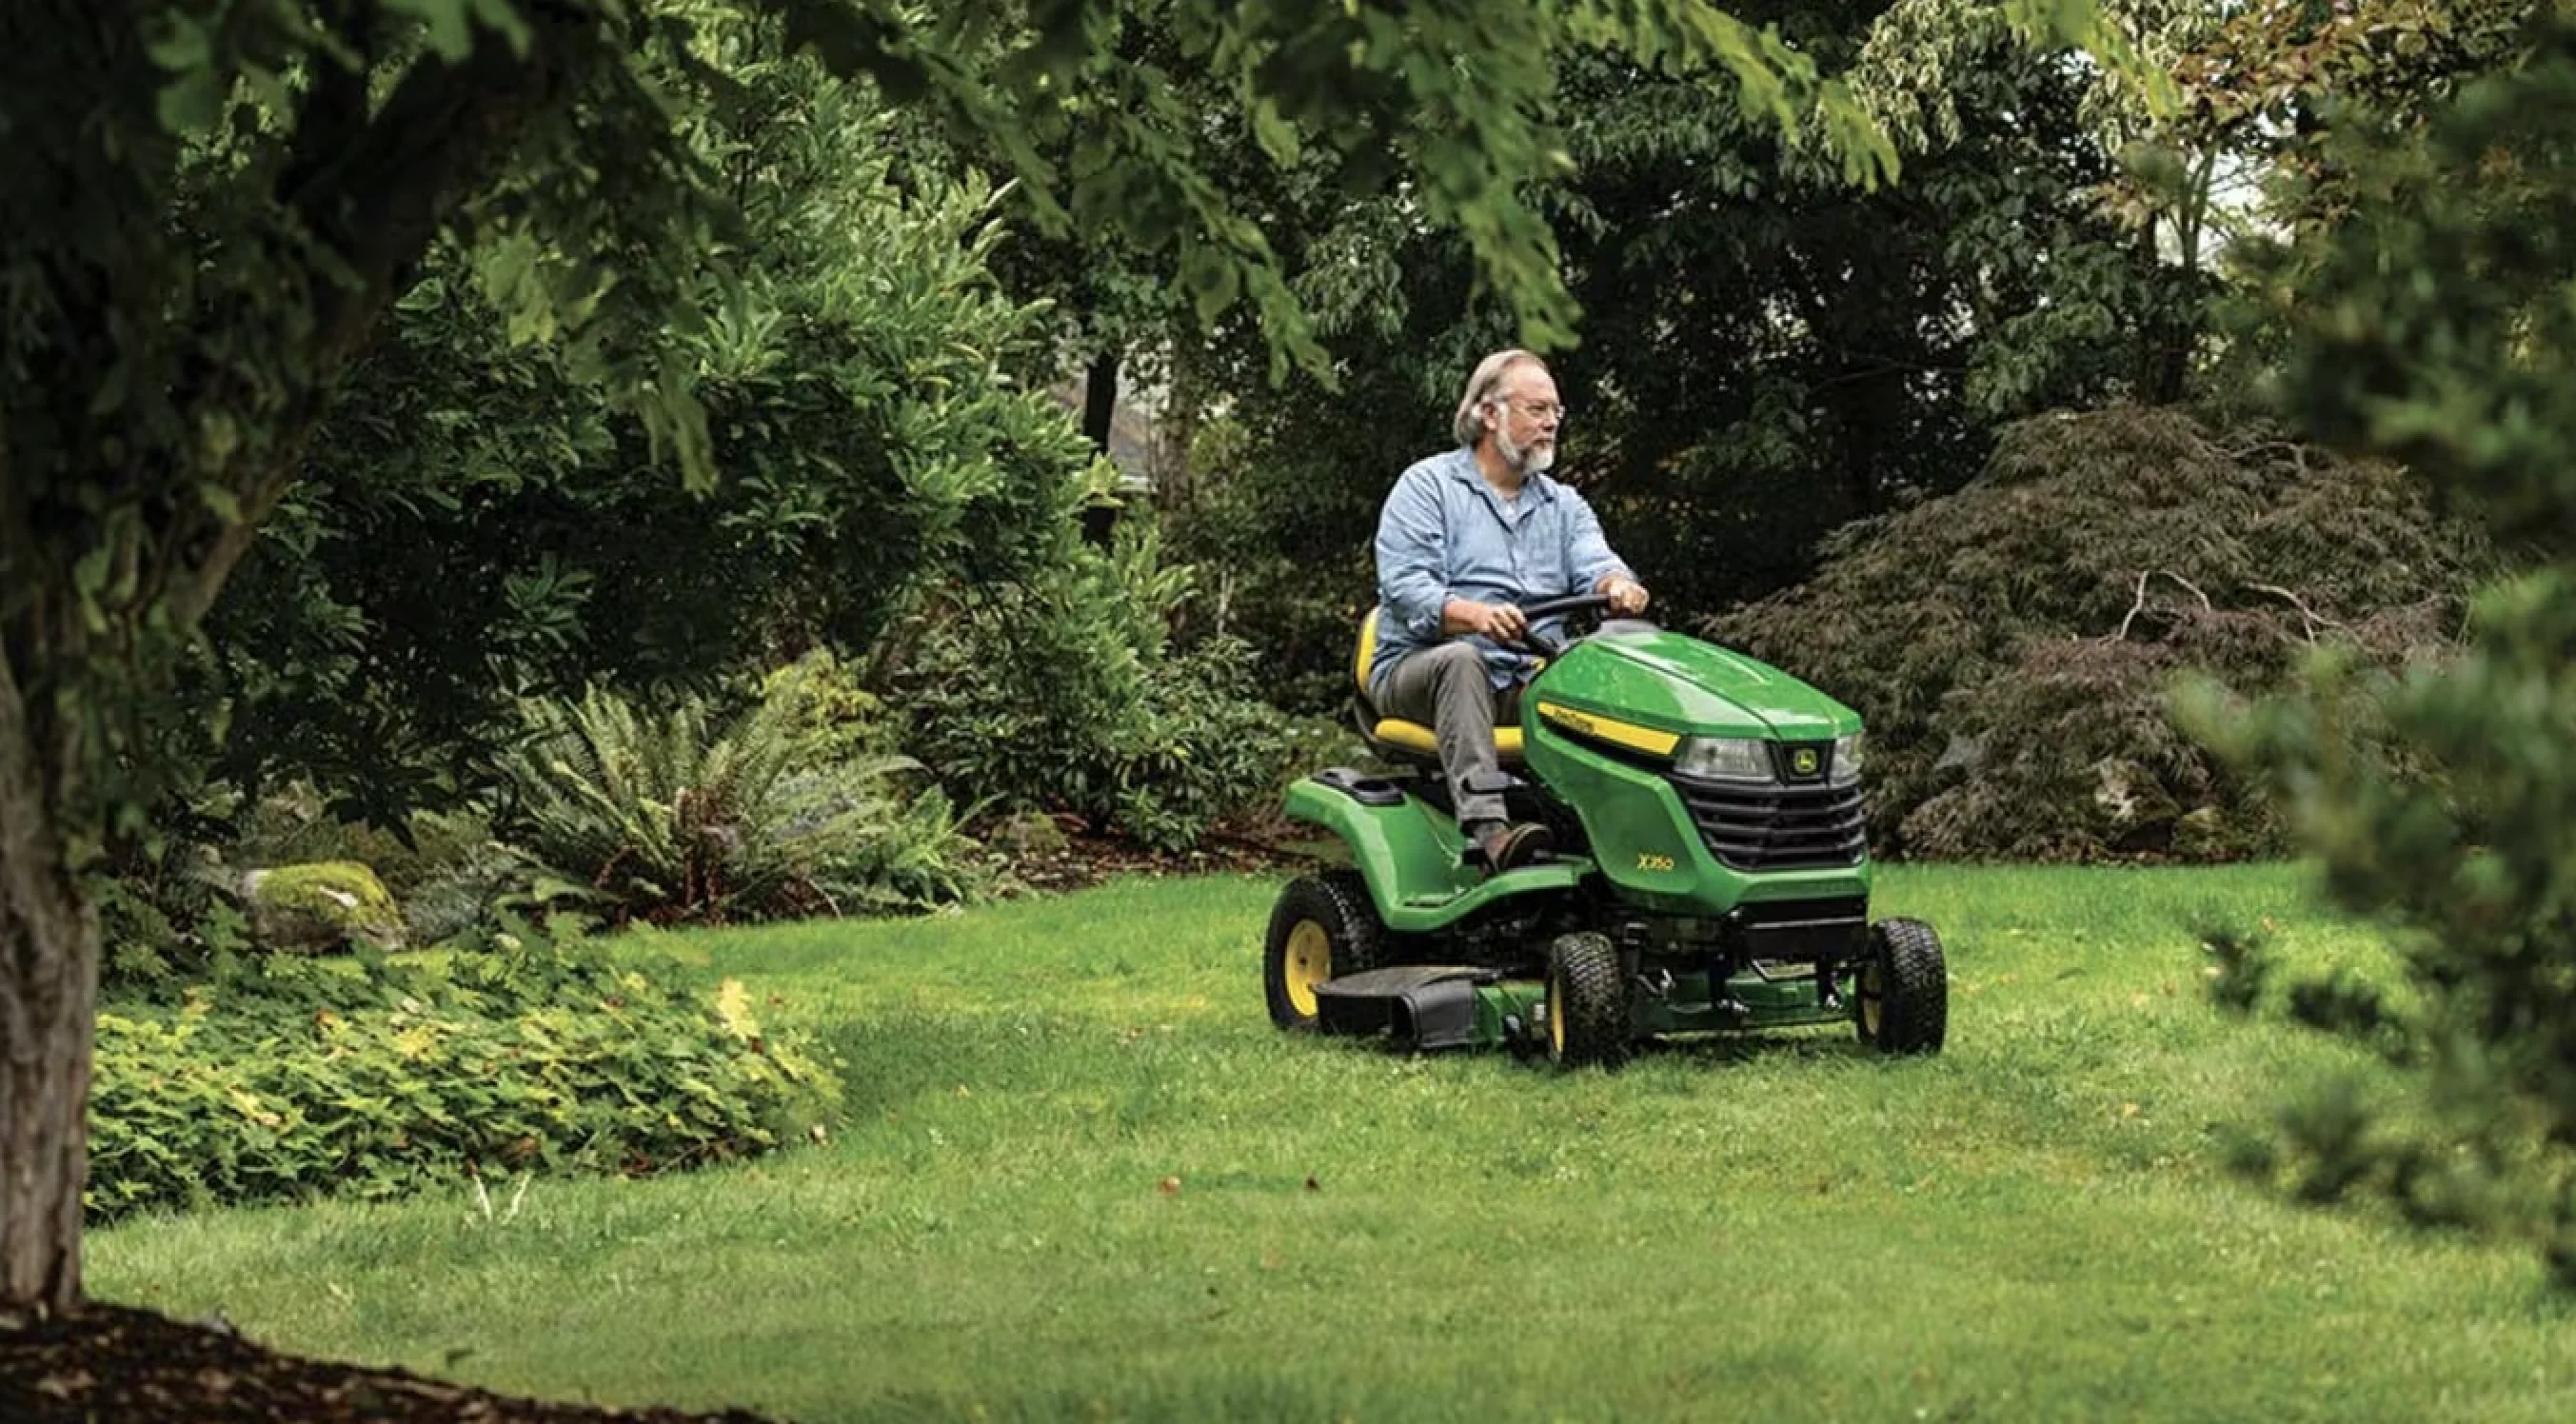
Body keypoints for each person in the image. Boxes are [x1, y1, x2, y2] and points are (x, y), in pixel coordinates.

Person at [1367, 348, 1651, 874]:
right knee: (1461, 661)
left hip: (1528, 676)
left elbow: (1598, 562)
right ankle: (1489, 833)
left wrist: (1618, 585)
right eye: (1537, 410)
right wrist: (1474, 616)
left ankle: (1628, 836)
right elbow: (1406, 590)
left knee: (1611, 672)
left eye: (1555, 413)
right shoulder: (1427, 488)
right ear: (1488, 414)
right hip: (1421, 672)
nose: (1550, 424)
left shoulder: (1563, 505)